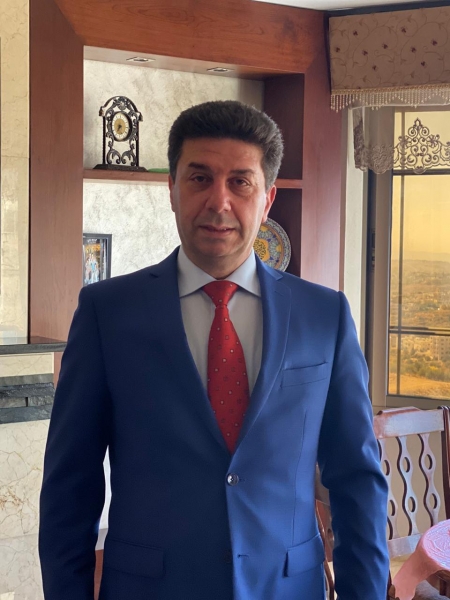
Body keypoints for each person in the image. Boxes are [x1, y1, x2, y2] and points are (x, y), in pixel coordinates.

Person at [39, 100, 389, 600]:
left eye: (240, 182)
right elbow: (70, 486)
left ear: (267, 199)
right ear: (172, 189)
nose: (218, 201)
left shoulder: (323, 315)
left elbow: (357, 479)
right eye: (199, 178)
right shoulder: (107, 312)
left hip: (287, 588)